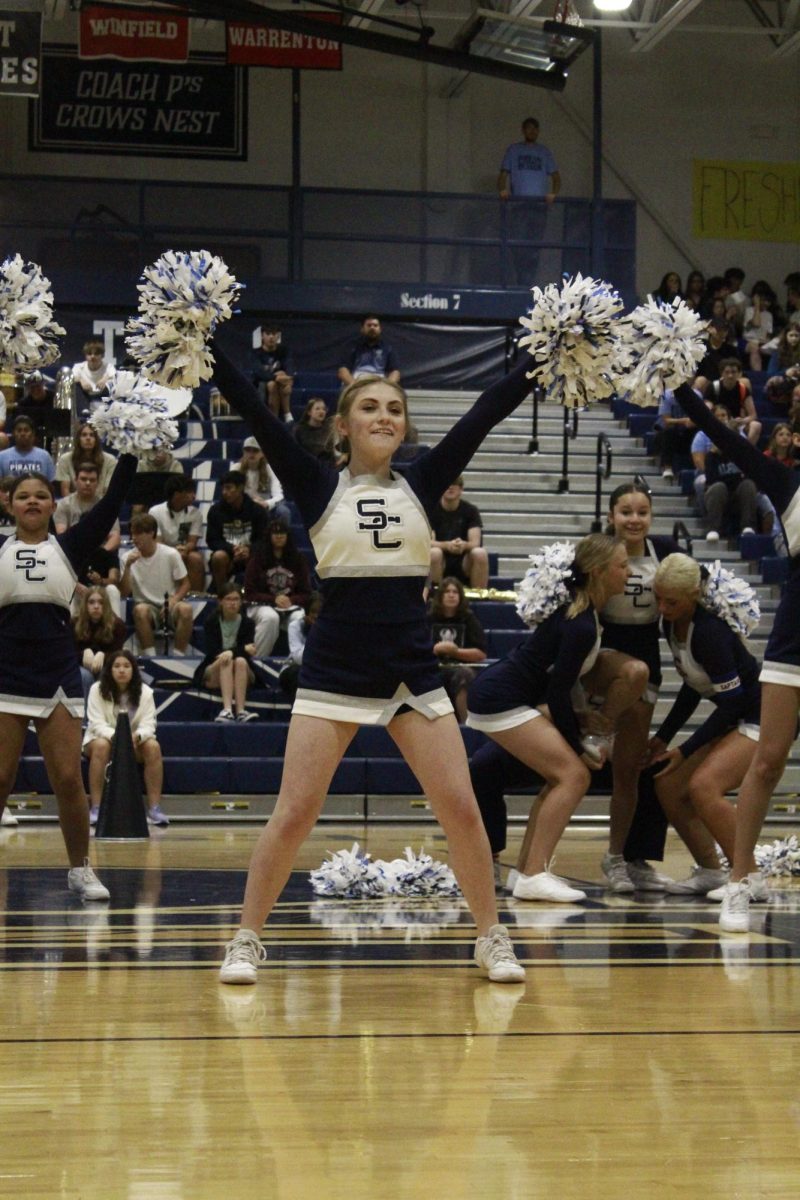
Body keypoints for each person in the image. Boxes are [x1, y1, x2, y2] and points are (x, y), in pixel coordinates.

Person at [210, 337, 536, 985]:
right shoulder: (316, 484)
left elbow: (483, 415)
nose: (385, 416)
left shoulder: (422, 481)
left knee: (461, 808)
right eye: (370, 408)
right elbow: (255, 410)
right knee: (296, 810)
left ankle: (490, 935)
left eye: (394, 407)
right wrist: (205, 345)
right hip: (336, 666)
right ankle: (247, 938)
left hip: (411, 665)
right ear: (344, 424)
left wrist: (541, 360)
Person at [674, 386, 800, 931]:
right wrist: (680, 384)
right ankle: (739, 879)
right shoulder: (787, 483)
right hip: (795, 642)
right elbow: (723, 434)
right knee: (768, 760)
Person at [466, 535, 642, 903]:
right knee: (573, 775)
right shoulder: (579, 625)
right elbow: (558, 692)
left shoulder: (583, 615)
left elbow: (559, 690)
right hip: (500, 697)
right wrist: (577, 743)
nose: (629, 572)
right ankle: (533, 873)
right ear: (598, 572)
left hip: (506, 696)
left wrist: (577, 726)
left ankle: (526, 872)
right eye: (622, 566)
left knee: (562, 776)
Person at [0, 450, 137, 897]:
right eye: (24, 497)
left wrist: (130, 453)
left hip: (56, 673)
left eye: (41, 495)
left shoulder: (70, 547)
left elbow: (113, 500)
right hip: (5, 673)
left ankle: (80, 868)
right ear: (9, 503)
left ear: (53, 504)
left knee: (66, 777)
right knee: (0, 777)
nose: (33, 502)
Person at [648, 554, 764, 900]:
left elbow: (733, 702)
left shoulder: (710, 632)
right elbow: (692, 685)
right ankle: (711, 871)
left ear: (695, 595)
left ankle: (750, 878)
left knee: (703, 786)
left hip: (762, 717)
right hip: (738, 713)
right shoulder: (670, 624)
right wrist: (663, 738)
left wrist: (684, 750)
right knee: (668, 784)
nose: (663, 607)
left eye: (672, 601)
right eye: (658, 598)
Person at [596, 483, 681, 893]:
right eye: (626, 511)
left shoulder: (664, 551)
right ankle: (597, 733)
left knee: (628, 770)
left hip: (648, 657)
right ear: (612, 515)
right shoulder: (597, 549)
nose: (634, 519)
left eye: (642, 512)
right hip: (604, 656)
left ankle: (620, 858)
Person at [83, 650, 168, 827]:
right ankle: (97, 807)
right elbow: (96, 723)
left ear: (133, 670)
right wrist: (118, 737)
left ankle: (154, 808)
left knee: (153, 746)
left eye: (126, 666)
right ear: (110, 670)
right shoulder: (96, 690)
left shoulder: (145, 692)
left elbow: (149, 724)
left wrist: (137, 736)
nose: (122, 670)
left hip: (133, 742)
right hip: (101, 739)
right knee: (101, 746)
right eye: (117, 666)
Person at [119, 513, 194, 656]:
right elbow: (124, 592)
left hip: (169, 603)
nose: (134, 538)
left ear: (151, 533)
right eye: (132, 533)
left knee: (186, 609)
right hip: (146, 606)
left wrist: (174, 600)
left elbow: (186, 584)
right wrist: (128, 567)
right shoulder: (126, 558)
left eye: (139, 533)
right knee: (140, 610)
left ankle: (178, 657)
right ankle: (150, 657)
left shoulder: (170, 554)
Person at [497, 117, 560, 285]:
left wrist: (553, 193)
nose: (532, 132)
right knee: (519, 244)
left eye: (535, 129)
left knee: (534, 246)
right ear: (523, 130)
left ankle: (528, 283)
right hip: (519, 205)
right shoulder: (514, 150)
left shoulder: (544, 152)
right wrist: (502, 190)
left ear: (538, 131)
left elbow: (556, 176)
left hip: (539, 207)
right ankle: (521, 280)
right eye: (529, 128)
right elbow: (503, 174)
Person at [243, 516, 313, 657]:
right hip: (261, 605)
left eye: (282, 534)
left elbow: (306, 593)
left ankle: (297, 660)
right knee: (270, 617)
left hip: (289, 606)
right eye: (275, 534)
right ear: (269, 536)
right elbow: (249, 592)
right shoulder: (257, 559)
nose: (279, 537)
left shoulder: (298, 559)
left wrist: (291, 601)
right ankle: (259, 660)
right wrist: (273, 599)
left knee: (299, 617)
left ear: (288, 536)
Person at [194, 585, 258, 722]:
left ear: (241, 602)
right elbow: (213, 652)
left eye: (236, 599)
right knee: (226, 660)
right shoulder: (211, 622)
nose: (233, 603)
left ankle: (241, 711)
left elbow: (249, 652)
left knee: (240, 661)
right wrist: (239, 650)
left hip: (241, 671)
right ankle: (227, 710)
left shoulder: (248, 623)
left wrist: (232, 652)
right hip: (215, 668)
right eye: (228, 599)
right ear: (220, 601)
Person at [427, 576, 487, 723]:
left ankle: (467, 726)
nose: (451, 594)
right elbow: (414, 651)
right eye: (447, 591)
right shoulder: (428, 619)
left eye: (455, 592)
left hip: (461, 669)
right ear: (440, 596)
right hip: (433, 668)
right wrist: (434, 649)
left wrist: (456, 652)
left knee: (464, 676)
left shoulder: (468, 619)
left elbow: (480, 654)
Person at [699, 403, 759, 542]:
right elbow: (712, 480)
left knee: (748, 485)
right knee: (718, 487)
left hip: (739, 495)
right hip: (720, 495)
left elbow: (749, 475)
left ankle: (748, 527)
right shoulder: (712, 456)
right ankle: (713, 528)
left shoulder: (743, 454)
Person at [206, 469, 268, 595]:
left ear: (240, 488)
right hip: (228, 555)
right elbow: (212, 540)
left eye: (229, 488)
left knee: (260, 557)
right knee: (218, 557)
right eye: (223, 489)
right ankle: (222, 596)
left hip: (250, 554)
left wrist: (248, 549)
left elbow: (263, 540)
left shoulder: (257, 511)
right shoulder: (215, 511)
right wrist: (232, 549)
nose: (225, 492)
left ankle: (253, 595)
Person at [149, 474, 206, 593]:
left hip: (184, 551)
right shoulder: (155, 511)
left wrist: (185, 548)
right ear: (177, 494)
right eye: (189, 492)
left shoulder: (195, 513)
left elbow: (192, 541)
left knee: (195, 558)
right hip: (162, 551)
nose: (194, 496)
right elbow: (157, 542)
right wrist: (174, 552)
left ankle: (196, 595)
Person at [429, 476, 489, 589]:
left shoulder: (471, 510)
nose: (450, 487)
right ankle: (435, 595)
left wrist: (463, 545)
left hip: (464, 561)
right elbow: (429, 542)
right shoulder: (431, 510)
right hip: (441, 561)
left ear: (461, 489)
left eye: (455, 484)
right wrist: (447, 545)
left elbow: (475, 542)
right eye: (447, 484)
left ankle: (479, 597)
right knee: (434, 553)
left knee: (480, 553)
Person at [72, 586, 128, 700]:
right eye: (91, 602)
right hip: (81, 666)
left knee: (104, 675)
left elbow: (118, 655)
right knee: (85, 676)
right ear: (85, 605)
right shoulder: (74, 623)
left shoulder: (117, 625)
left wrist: (104, 655)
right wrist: (83, 654)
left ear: (106, 605)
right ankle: (85, 717)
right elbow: (68, 653)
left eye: (101, 602)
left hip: (107, 666)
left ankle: (102, 716)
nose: (96, 606)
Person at [703, 359, 761, 446]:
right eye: (727, 372)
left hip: (736, 423)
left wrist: (742, 421)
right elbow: (707, 409)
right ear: (722, 373)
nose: (730, 375)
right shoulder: (713, 387)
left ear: (739, 374)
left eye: (734, 372)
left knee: (756, 425)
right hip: (717, 421)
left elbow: (753, 415)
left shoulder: (743, 389)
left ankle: (747, 451)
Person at [236, 435, 292, 521]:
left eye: (255, 450)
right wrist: (252, 502)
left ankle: (279, 534)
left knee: (283, 512)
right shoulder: (235, 468)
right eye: (248, 450)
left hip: (265, 504)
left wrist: (267, 503)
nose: (251, 454)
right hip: (244, 505)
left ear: (262, 453)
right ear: (243, 452)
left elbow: (279, 495)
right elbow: (234, 494)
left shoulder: (270, 469)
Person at [54, 423, 117, 498]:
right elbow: (65, 492)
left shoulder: (110, 461)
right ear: (78, 439)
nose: (88, 438)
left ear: (96, 439)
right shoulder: (65, 459)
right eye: (84, 435)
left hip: (101, 505)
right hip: (73, 505)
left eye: (92, 435)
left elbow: (108, 492)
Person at [337, 316, 400, 386]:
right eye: (369, 325)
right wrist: (353, 385)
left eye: (375, 325)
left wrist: (388, 386)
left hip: (380, 381)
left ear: (380, 329)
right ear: (362, 329)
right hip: (356, 380)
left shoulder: (388, 348)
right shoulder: (351, 346)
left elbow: (395, 371)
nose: (372, 328)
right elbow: (343, 370)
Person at [251, 323, 294, 422]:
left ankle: (284, 414)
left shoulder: (284, 351)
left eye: (274, 334)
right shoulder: (256, 353)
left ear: (278, 336)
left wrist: (289, 379)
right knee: (272, 384)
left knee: (283, 377)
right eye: (268, 333)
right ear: (262, 335)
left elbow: (290, 366)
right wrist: (275, 377)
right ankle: (281, 415)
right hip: (260, 385)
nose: (271, 337)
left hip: (281, 384)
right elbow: (258, 373)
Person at [652, 388, 697, 480]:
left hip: (687, 433)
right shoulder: (666, 396)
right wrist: (684, 421)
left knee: (699, 432)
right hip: (670, 432)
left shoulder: (696, 395)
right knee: (669, 432)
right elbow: (666, 420)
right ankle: (667, 468)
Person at [0, 413, 55, 481]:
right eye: (19, 430)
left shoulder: (45, 456)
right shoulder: (2, 457)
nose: (22, 433)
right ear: (14, 434)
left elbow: (51, 485)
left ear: (33, 433)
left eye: (26, 430)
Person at [71, 338, 116, 412]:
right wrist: (81, 380)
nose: (92, 356)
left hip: (103, 394)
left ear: (102, 355)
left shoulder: (108, 366)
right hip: (85, 395)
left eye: (96, 354)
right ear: (85, 356)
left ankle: (109, 409)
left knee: (112, 384)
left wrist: (105, 380)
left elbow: (115, 375)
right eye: (89, 354)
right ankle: (84, 411)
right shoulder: (79, 366)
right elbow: (72, 376)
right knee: (76, 385)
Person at [294, 397, 338, 463]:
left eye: (324, 409)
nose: (321, 411)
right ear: (309, 412)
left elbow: (332, 453)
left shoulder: (329, 428)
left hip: (327, 465)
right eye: (317, 409)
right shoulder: (299, 430)